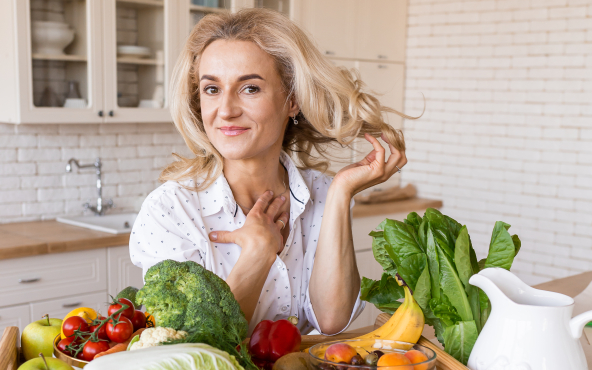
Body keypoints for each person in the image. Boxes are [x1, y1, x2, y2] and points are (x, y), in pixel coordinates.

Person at [130, 8, 413, 336]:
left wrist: (340, 193)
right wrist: (257, 254)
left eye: (249, 88)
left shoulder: (322, 193)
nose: (226, 110)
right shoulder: (170, 210)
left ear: (292, 100)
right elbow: (189, 347)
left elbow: (331, 320)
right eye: (212, 89)